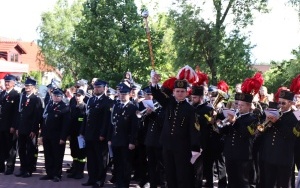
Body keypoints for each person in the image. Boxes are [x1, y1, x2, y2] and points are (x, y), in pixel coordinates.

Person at [150, 74, 200, 188]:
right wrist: (154, 83)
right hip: (167, 146)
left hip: (182, 148)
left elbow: (194, 130)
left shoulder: (190, 110)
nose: (180, 93)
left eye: (182, 91)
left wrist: (195, 147)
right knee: (169, 174)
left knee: (182, 175)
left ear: (187, 92)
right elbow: (158, 95)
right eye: (177, 91)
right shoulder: (169, 103)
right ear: (173, 92)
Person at [260, 89, 299, 188]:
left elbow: (292, 135)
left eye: (283, 103)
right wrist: (266, 123)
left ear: (290, 103)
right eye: (279, 102)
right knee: (269, 183)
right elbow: (263, 133)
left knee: (284, 184)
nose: (280, 105)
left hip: (284, 157)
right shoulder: (274, 112)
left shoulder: (295, 117)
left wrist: (277, 122)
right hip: (270, 156)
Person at [81, 79, 111, 187]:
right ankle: (91, 178)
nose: (96, 89)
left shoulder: (107, 101)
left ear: (104, 88)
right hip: (89, 134)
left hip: (99, 135)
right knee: (91, 159)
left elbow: (106, 120)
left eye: (99, 87)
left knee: (100, 159)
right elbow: (86, 117)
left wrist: (103, 134)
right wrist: (82, 132)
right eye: (95, 87)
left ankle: (99, 180)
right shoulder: (91, 100)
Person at [108, 83, 139, 188]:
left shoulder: (133, 108)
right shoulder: (116, 106)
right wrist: (110, 138)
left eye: (124, 94)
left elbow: (135, 127)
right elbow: (112, 124)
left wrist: (132, 142)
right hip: (116, 140)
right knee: (117, 163)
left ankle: (125, 184)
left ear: (129, 94)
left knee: (126, 164)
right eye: (121, 94)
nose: (122, 96)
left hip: (126, 141)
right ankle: (119, 183)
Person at [40, 89, 70, 182]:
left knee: (57, 156)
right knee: (48, 155)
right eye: (54, 96)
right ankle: (49, 173)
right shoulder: (49, 105)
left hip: (57, 136)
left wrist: (63, 137)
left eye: (58, 96)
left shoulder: (64, 107)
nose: (56, 97)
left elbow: (66, 125)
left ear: (61, 97)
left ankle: (57, 174)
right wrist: (42, 135)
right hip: (47, 135)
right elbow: (44, 121)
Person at [15, 77, 43, 178]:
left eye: (28, 86)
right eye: (25, 85)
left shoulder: (36, 99)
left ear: (33, 87)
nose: (26, 87)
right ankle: (23, 168)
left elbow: (37, 116)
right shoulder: (23, 97)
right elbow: (20, 113)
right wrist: (17, 127)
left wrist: (34, 130)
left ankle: (29, 169)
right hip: (22, 128)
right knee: (21, 149)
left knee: (30, 150)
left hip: (30, 129)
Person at [0, 74, 20, 175]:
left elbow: (17, 113)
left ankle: (10, 167)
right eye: (6, 81)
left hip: (9, 126)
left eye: (9, 82)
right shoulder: (2, 94)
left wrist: (14, 126)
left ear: (13, 83)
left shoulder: (16, 95)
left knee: (11, 148)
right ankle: (1, 166)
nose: (7, 83)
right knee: (1, 146)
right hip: (1, 125)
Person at [67, 89, 87, 179]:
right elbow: (70, 121)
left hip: (81, 135)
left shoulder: (85, 108)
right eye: (76, 95)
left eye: (79, 95)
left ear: (83, 96)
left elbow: (85, 122)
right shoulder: (73, 107)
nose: (77, 97)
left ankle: (80, 172)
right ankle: (75, 170)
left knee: (81, 154)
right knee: (74, 153)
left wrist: (82, 133)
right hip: (73, 134)